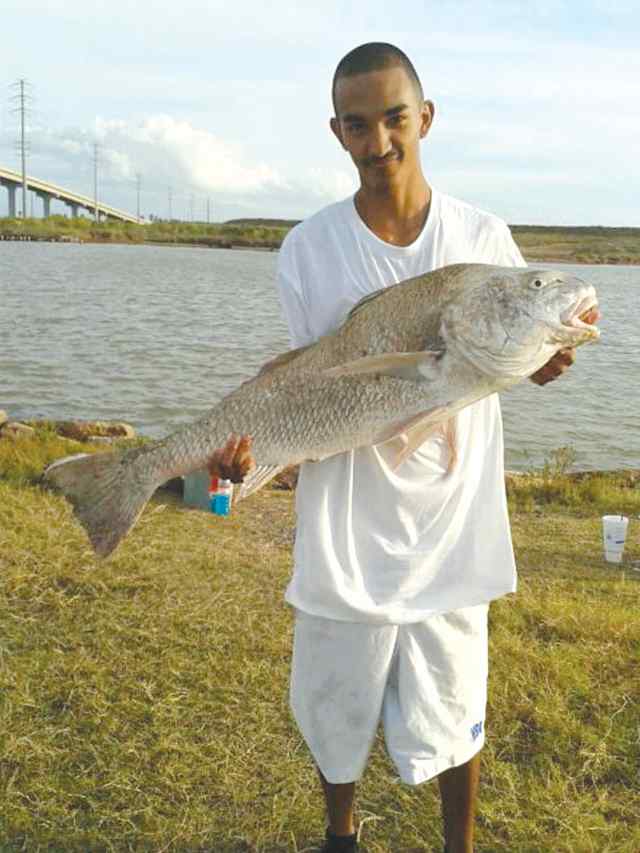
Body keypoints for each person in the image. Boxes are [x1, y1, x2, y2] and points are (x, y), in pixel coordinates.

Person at [209, 43, 575, 853]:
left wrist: (545, 359)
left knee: (454, 698)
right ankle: (340, 835)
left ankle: (459, 846)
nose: (380, 141)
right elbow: (304, 381)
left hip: (454, 519)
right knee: (334, 698)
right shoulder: (308, 247)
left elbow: (520, 353)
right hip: (346, 516)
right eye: (359, 124)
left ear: (426, 117)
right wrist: (249, 458)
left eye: (396, 118)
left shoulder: (484, 238)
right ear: (337, 132)